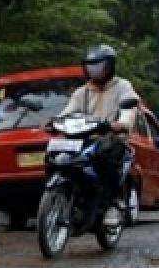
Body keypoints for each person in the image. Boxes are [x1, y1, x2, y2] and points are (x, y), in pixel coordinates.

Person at [57, 44, 140, 227]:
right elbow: (67, 112)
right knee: (56, 153)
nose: (95, 71)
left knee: (107, 151)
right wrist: (54, 122)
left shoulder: (123, 86)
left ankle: (112, 203)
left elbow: (129, 110)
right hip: (84, 140)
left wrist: (122, 123)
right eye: (91, 66)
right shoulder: (81, 92)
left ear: (110, 66)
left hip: (112, 139)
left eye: (99, 66)